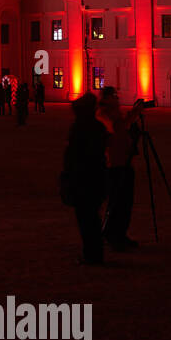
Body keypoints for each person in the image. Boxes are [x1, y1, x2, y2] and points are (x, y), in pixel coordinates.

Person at [62, 93, 108, 265]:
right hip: (95, 178)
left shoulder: (79, 127)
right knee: (92, 218)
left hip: (83, 179)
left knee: (87, 220)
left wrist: (68, 174)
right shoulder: (96, 127)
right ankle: (94, 252)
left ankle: (92, 254)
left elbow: (73, 155)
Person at [97, 87, 145, 252]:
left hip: (124, 161)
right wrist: (132, 114)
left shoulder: (115, 113)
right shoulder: (103, 114)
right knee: (116, 202)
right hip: (113, 164)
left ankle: (121, 234)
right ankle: (111, 234)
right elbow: (117, 128)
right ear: (106, 98)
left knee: (126, 202)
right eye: (114, 96)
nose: (117, 98)